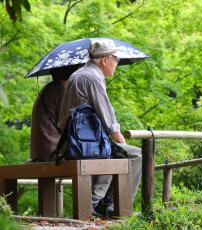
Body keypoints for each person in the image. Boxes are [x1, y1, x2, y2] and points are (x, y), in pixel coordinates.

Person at [58, 40, 142, 217]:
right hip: (85, 145)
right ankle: (112, 207)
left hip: (73, 141)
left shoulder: (79, 74)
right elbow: (108, 116)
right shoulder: (93, 78)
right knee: (136, 155)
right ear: (105, 60)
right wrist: (119, 138)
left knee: (115, 154)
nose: (117, 64)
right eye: (116, 60)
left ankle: (102, 205)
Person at [30, 66, 78, 162]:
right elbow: (68, 125)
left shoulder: (49, 88)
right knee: (95, 159)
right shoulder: (59, 91)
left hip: (39, 151)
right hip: (52, 151)